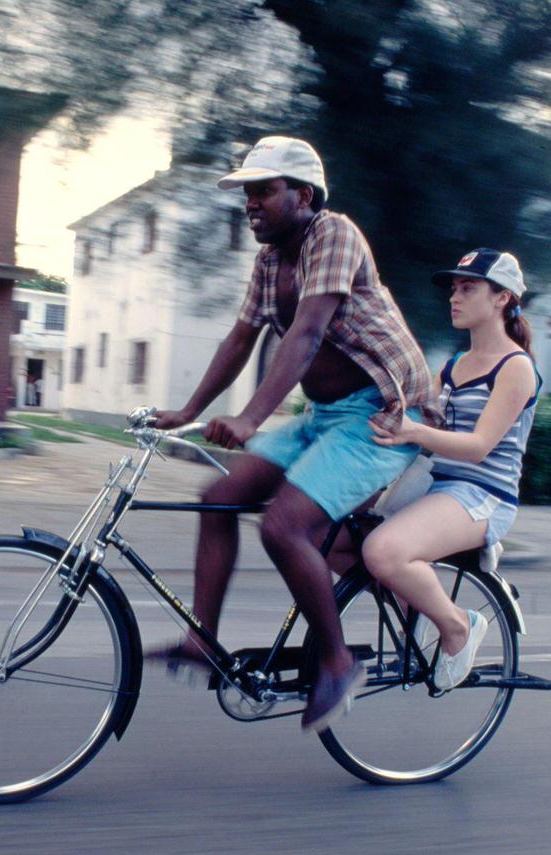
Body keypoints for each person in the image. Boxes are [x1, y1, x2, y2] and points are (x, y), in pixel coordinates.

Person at [150, 136, 438, 731]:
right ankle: (203, 641)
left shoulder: (333, 234)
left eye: (263, 191)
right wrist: (189, 410)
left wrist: (251, 417)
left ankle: (335, 662)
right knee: (218, 496)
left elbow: (306, 334)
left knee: (284, 526)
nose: (250, 203)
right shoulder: (269, 260)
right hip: (326, 415)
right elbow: (240, 339)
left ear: (303, 196)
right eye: (246, 194)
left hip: (383, 414)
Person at [361, 248, 542, 690]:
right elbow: (422, 420)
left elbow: (479, 448)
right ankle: (422, 609)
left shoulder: (516, 367)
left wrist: (414, 433)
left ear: (502, 298)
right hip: (438, 489)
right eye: (454, 289)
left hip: (483, 497)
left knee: (384, 551)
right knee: (336, 539)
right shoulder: (455, 366)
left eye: (468, 288)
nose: (454, 298)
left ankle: (458, 625)